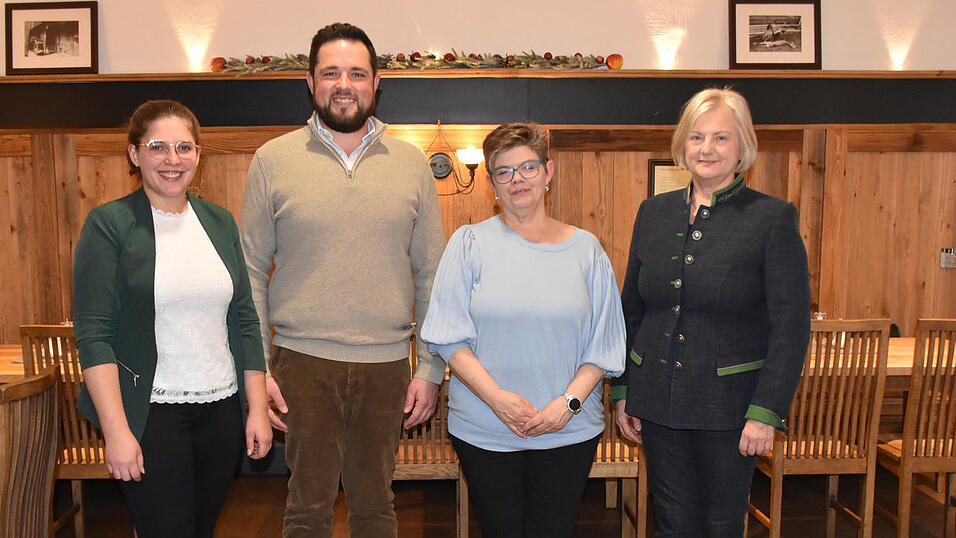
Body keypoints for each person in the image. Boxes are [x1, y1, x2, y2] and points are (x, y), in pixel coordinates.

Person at [239, 22, 445, 538]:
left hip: (388, 364)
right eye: (330, 73)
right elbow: (247, 273)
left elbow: (433, 273)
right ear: (311, 83)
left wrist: (432, 367)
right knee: (306, 510)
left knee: (376, 507)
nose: (343, 84)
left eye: (356, 73)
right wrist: (258, 371)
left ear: (376, 82)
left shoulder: (412, 163)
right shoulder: (272, 160)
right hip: (301, 365)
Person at [612, 87, 811, 536]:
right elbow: (632, 310)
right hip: (658, 402)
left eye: (721, 138)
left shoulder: (771, 218)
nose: (707, 149)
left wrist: (766, 411)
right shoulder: (653, 213)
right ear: (683, 144)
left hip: (731, 408)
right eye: (697, 137)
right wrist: (623, 387)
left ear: (743, 148)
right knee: (672, 522)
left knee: (720, 525)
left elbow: (791, 327)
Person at [72, 99, 272, 538]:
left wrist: (256, 408)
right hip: (150, 414)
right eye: (158, 147)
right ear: (134, 153)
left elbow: (245, 319)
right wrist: (117, 431)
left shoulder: (219, 223)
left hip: (221, 411)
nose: (172, 160)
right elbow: (93, 335)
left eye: (184, 148)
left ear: (198, 155)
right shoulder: (109, 224)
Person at [421, 122, 626, 537]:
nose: (517, 180)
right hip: (485, 429)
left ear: (548, 173)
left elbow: (605, 344)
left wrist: (566, 405)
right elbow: (446, 335)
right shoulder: (468, 244)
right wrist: (497, 400)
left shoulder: (587, 250)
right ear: (491, 184)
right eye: (504, 171)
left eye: (528, 168)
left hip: (569, 430)